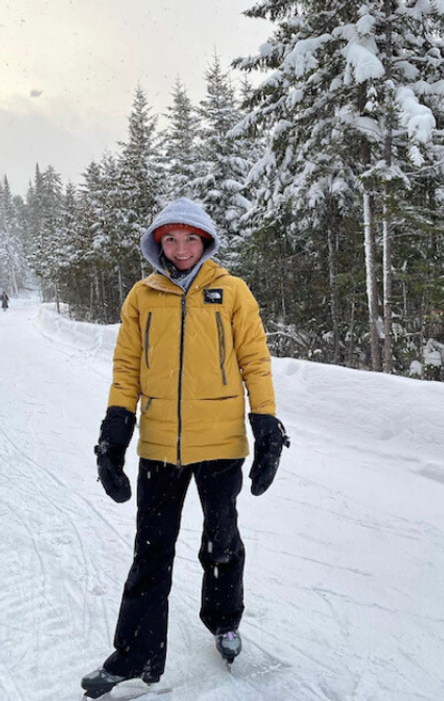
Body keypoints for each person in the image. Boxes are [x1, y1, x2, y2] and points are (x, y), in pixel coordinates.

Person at [82, 198, 290, 699]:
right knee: (150, 553)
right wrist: (114, 434)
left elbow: (255, 362)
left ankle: (223, 620)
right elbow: (127, 367)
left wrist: (265, 424)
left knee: (222, 540)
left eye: (190, 239)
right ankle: (135, 656)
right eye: (170, 239)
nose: (180, 248)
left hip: (220, 443)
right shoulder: (141, 295)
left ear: (206, 241)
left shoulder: (232, 291)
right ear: (158, 244)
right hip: (158, 445)